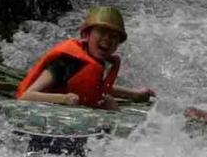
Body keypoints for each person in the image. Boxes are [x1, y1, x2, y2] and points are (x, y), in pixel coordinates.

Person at [16, 6, 155, 109]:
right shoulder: (67, 62)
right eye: (102, 32)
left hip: (70, 113)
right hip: (42, 113)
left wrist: (135, 94)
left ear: (117, 44)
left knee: (109, 102)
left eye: (113, 37)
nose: (107, 39)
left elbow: (98, 88)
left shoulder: (97, 62)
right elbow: (27, 96)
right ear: (86, 35)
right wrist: (63, 99)